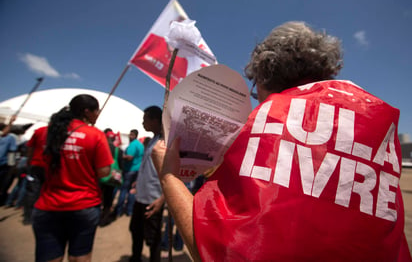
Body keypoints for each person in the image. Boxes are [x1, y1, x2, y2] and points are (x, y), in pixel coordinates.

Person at [155, 21, 412, 261]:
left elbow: (216, 250)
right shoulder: (377, 119)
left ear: (265, 75)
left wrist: (169, 177)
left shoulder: (266, 119)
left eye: (255, 89)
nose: (257, 98)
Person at [32, 94, 113, 262]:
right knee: (79, 257)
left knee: (49, 256)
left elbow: (34, 162)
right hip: (84, 204)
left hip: (48, 204)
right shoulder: (95, 135)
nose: (98, 115)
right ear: (87, 112)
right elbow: (104, 172)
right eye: (96, 111)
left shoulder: (44, 132)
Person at [129, 106, 164, 262]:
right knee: (135, 231)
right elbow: (148, 167)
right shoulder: (152, 140)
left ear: (155, 120)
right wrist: (138, 182)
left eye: (145, 120)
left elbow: (172, 176)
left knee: (153, 240)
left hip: (153, 200)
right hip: (141, 196)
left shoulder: (164, 142)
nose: (143, 123)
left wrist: (162, 199)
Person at [115, 129, 143, 217]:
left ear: (135, 135)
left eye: (132, 135)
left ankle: (119, 211)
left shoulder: (133, 144)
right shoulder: (140, 144)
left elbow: (130, 157)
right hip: (136, 170)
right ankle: (129, 210)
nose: (130, 137)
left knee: (124, 190)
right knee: (132, 190)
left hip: (130, 170)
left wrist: (120, 156)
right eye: (129, 135)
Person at [23, 125, 48, 225]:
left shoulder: (39, 131)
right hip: (49, 167)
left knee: (33, 191)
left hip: (36, 165)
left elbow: (30, 147)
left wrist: (29, 161)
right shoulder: (61, 131)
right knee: (45, 192)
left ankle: (28, 217)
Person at [99, 128, 124, 226]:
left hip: (100, 177)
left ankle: (97, 217)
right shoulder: (118, 150)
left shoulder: (101, 146)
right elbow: (121, 165)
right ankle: (104, 219)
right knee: (108, 200)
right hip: (112, 178)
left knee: (98, 198)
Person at [0, 115, 17, 206]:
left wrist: (11, 122)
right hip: (3, 164)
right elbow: (12, 151)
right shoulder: (10, 138)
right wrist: (12, 165)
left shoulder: (6, 137)